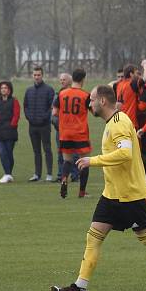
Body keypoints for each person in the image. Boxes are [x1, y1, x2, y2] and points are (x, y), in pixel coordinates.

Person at [50, 84, 146, 291]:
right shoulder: (113, 122)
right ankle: (79, 287)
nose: (89, 103)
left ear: (103, 101)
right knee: (93, 238)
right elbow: (136, 161)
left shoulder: (119, 123)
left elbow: (125, 154)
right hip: (112, 195)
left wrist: (92, 161)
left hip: (127, 197)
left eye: (92, 99)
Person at [57, 68, 92, 199]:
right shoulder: (85, 95)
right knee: (84, 161)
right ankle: (82, 192)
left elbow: (55, 111)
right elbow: (93, 111)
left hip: (65, 132)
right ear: (83, 79)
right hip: (80, 132)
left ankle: (64, 179)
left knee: (67, 160)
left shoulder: (62, 93)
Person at [23, 66, 55, 182]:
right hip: (32, 125)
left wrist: (43, 118)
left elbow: (51, 107)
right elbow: (25, 106)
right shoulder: (29, 90)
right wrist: (29, 117)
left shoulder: (49, 90)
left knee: (47, 149)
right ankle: (37, 174)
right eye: (35, 75)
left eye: (39, 75)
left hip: (44, 125)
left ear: (42, 75)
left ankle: (49, 174)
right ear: (32, 76)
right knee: (36, 151)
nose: (36, 77)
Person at [0, 81, 20, 183]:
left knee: (9, 153)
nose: (3, 89)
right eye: (2, 88)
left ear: (9, 90)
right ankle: (7, 174)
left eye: (6, 88)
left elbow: (16, 115)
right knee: (2, 152)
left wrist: (12, 125)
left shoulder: (14, 101)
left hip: (10, 132)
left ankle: (8, 174)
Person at [52, 72, 78, 182]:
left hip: (74, 129)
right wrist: (58, 124)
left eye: (64, 79)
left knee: (75, 153)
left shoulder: (75, 94)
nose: (62, 81)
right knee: (60, 153)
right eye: (61, 79)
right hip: (61, 130)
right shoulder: (58, 95)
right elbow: (54, 113)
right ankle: (61, 175)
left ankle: (75, 175)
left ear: (70, 81)